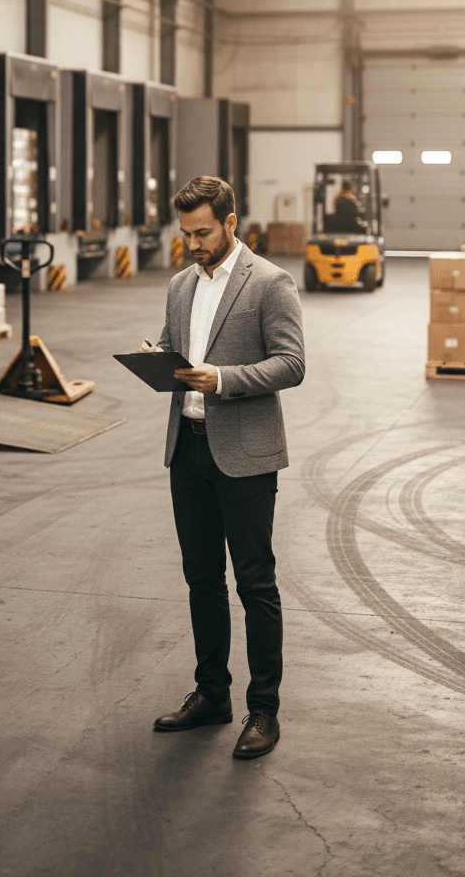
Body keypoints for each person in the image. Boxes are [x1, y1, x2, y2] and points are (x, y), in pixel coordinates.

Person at [145, 176, 305, 759]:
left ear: (231, 222)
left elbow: (292, 363)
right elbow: (173, 345)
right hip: (187, 449)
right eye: (186, 233)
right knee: (202, 579)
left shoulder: (269, 282)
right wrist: (154, 358)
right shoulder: (180, 285)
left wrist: (223, 379)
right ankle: (212, 694)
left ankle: (264, 709)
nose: (193, 243)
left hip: (245, 454)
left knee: (255, 583)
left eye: (203, 232)